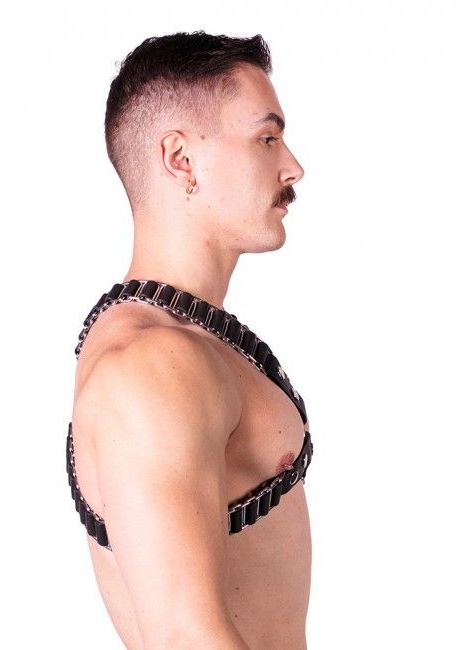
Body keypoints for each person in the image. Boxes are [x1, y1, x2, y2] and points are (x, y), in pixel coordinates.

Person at [67, 31, 310, 649]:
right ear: (180, 159)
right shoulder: (151, 364)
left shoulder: (188, 340)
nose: (293, 167)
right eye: (267, 138)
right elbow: (184, 637)